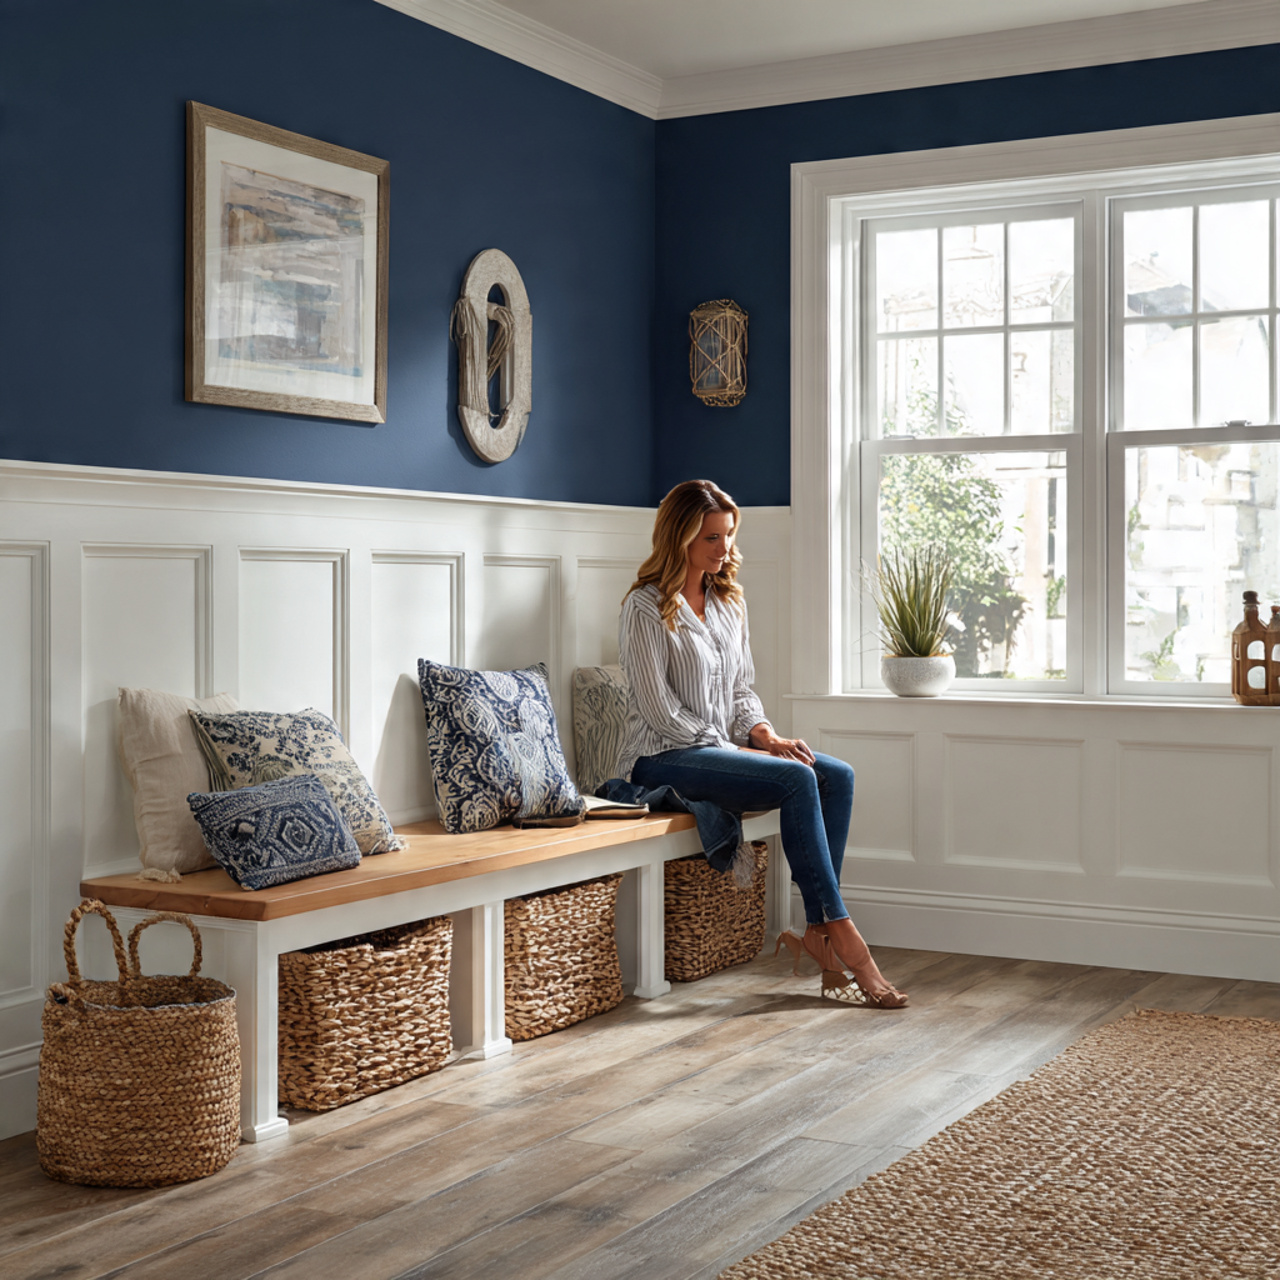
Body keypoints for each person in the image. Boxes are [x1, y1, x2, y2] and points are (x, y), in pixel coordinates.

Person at [616, 479, 907, 1008]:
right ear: (678, 536)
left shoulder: (727, 602)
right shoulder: (644, 607)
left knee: (833, 774)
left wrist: (765, 737)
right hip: (661, 759)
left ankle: (816, 930)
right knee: (797, 779)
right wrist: (732, 751)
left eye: (728, 535)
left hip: (716, 754)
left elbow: (741, 691)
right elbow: (659, 711)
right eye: (710, 537)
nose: (723, 548)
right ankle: (843, 934)